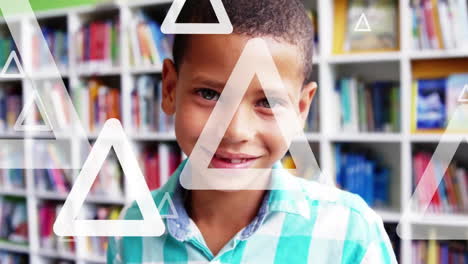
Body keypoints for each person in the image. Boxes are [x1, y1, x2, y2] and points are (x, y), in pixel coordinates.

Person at [108, 0, 397, 263]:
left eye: (268, 102)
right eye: (209, 94)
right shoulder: (131, 229)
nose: (235, 131)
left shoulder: (350, 233)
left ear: (301, 109)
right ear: (170, 89)